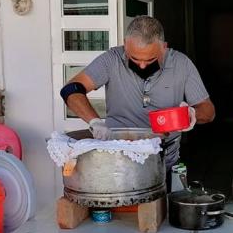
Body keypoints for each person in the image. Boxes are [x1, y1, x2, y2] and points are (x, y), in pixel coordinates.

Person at [61, 15, 215, 169]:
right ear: (125, 45)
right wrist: (94, 122)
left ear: (164, 47)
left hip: (164, 160)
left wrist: (191, 115)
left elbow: (208, 111)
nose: (142, 66)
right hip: (117, 158)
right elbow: (71, 90)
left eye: (150, 60)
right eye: (134, 59)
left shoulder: (182, 64)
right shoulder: (111, 60)